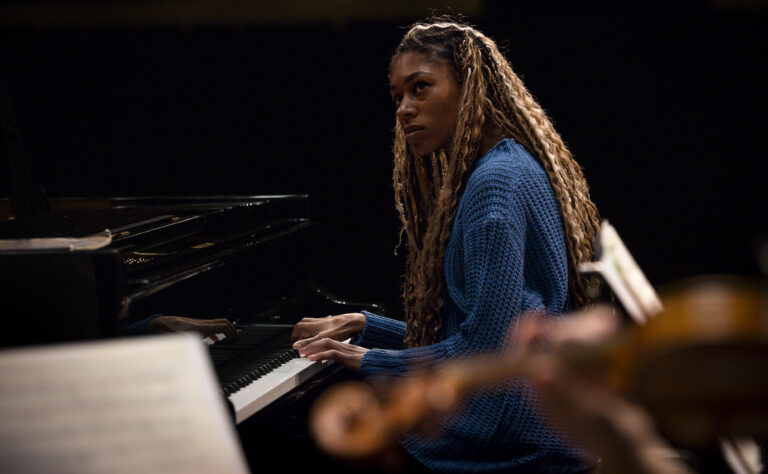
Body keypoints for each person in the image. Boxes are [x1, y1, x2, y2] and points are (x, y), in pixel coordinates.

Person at [292, 18, 601, 472]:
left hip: (511, 441)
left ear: (470, 88)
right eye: (397, 96)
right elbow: (478, 334)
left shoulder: (495, 185)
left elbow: (486, 352)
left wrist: (370, 359)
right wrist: (364, 324)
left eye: (420, 88)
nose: (403, 109)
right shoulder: (508, 165)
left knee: (324, 435)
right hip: (530, 418)